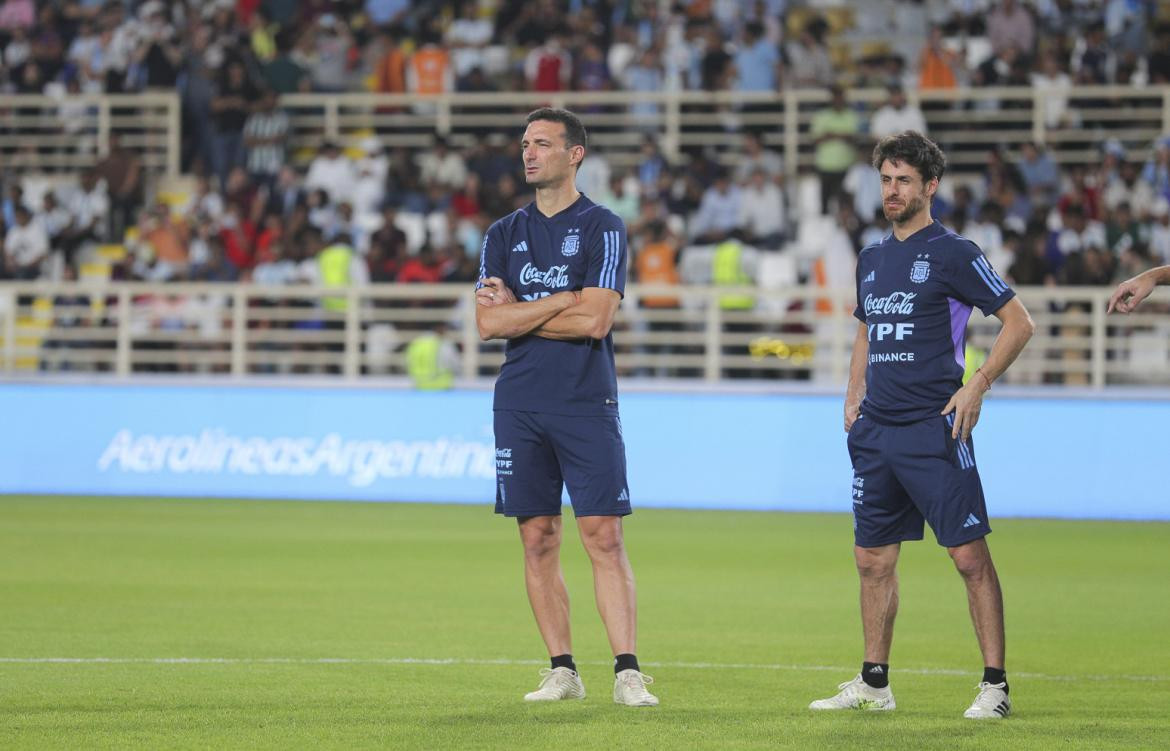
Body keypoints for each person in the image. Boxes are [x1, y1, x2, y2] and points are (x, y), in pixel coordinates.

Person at [811, 131, 1034, 719]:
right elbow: (866, 326)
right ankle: (875, 683)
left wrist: (977, 383)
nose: (891, 189)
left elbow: (1019, 322)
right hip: (876, 433)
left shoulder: (955, 252)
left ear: (930, 186)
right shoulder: (872, 257)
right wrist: (853, 391)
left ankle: (995, 686)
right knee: (872, 561)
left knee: (968, 558)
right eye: (885, 179)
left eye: (903, 180)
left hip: (934, 429)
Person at [474, 108, 658, 707]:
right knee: (538, 537)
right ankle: (562, 670)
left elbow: (598, 318)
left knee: (602, 536)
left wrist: (522, 313)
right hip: (520, 403)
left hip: (585, 400)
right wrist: (565, 300)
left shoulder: (604, 226)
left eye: (543, 144)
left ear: (574, 154)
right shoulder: (502, 233)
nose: (529, 154)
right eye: (525, 143)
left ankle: (627, 671)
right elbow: (486, 322)